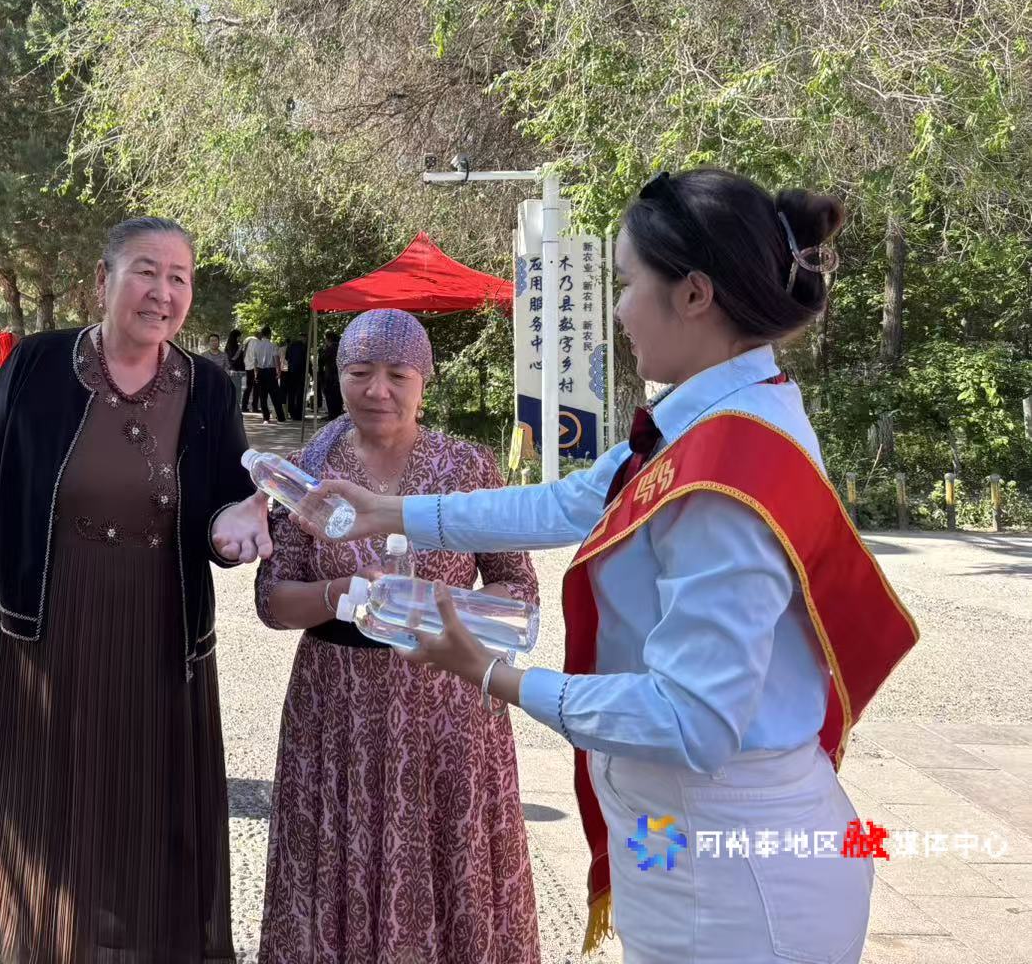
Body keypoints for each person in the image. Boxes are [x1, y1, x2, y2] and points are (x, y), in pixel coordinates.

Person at [317, 170, 919, 964]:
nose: (617, 309)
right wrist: (386, 511)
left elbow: (691, 720)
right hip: (679, 840)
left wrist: (492, 674)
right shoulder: (716, 415)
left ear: (694, 294)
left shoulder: (724, 474)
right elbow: (569, 502)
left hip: (735, 882)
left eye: (628, 283)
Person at [0, 216, 272, 964]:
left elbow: (225, 509)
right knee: (51, 818)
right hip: (45, 635)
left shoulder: (210, 389)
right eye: (145, 270)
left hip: (159, 639)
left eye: (179, 277)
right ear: (103, 280)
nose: (163, 291)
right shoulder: (37, 365)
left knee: (145, 822)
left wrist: (233, 529)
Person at [254, 309, 539, 963]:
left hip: (449, 704)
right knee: (335, 864)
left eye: (397, 374)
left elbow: (517, 586)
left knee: (452, 861)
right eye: (359, 372)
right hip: (337, 710)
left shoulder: (466, 468)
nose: (377, 389)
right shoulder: (305, 472)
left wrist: (438, 607)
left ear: (423, 382)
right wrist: (342, 594)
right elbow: (272, 600)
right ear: (337, 376)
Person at [248, 325, 284, 422]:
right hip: (271, 371)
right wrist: (278, 371)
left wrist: (255, 373)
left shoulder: (256, 346)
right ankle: (280, 417)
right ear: (269, 334)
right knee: (275, 395)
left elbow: (255, 361)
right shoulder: (273, 345)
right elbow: (276, 359)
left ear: (262, 334)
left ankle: (266, 417)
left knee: (262, 396)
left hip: (260, 371)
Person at [281, 331, 309, 423]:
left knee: (291, 393)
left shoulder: (291, 345)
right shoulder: (305, 347)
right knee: (300, 393)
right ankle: (298, 414)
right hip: (301, 372)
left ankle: (292, 412)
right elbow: (306, 360)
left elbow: (287, 357)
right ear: (304, 338)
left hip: (291, 372)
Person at [317, 329, 343, 420]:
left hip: (330, 375)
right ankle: (337, 414)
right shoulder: (340, 347)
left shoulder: (329, 349)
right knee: (338, 396)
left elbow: (322, 360)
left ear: (328, 339)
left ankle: (332, 415)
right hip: (339, 375)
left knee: (330, 396)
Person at [226, 327, 249, 411]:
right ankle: (235, 409)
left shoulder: (237, 345)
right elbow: (233, 358)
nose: (240, 338)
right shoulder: (230, 346)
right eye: (239, 336)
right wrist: (240, 347)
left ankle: (237, 408)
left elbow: (241, 357)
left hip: (240, 370)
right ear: (235, 337)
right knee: (237, 391)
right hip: (235, 371)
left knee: (239, 390)